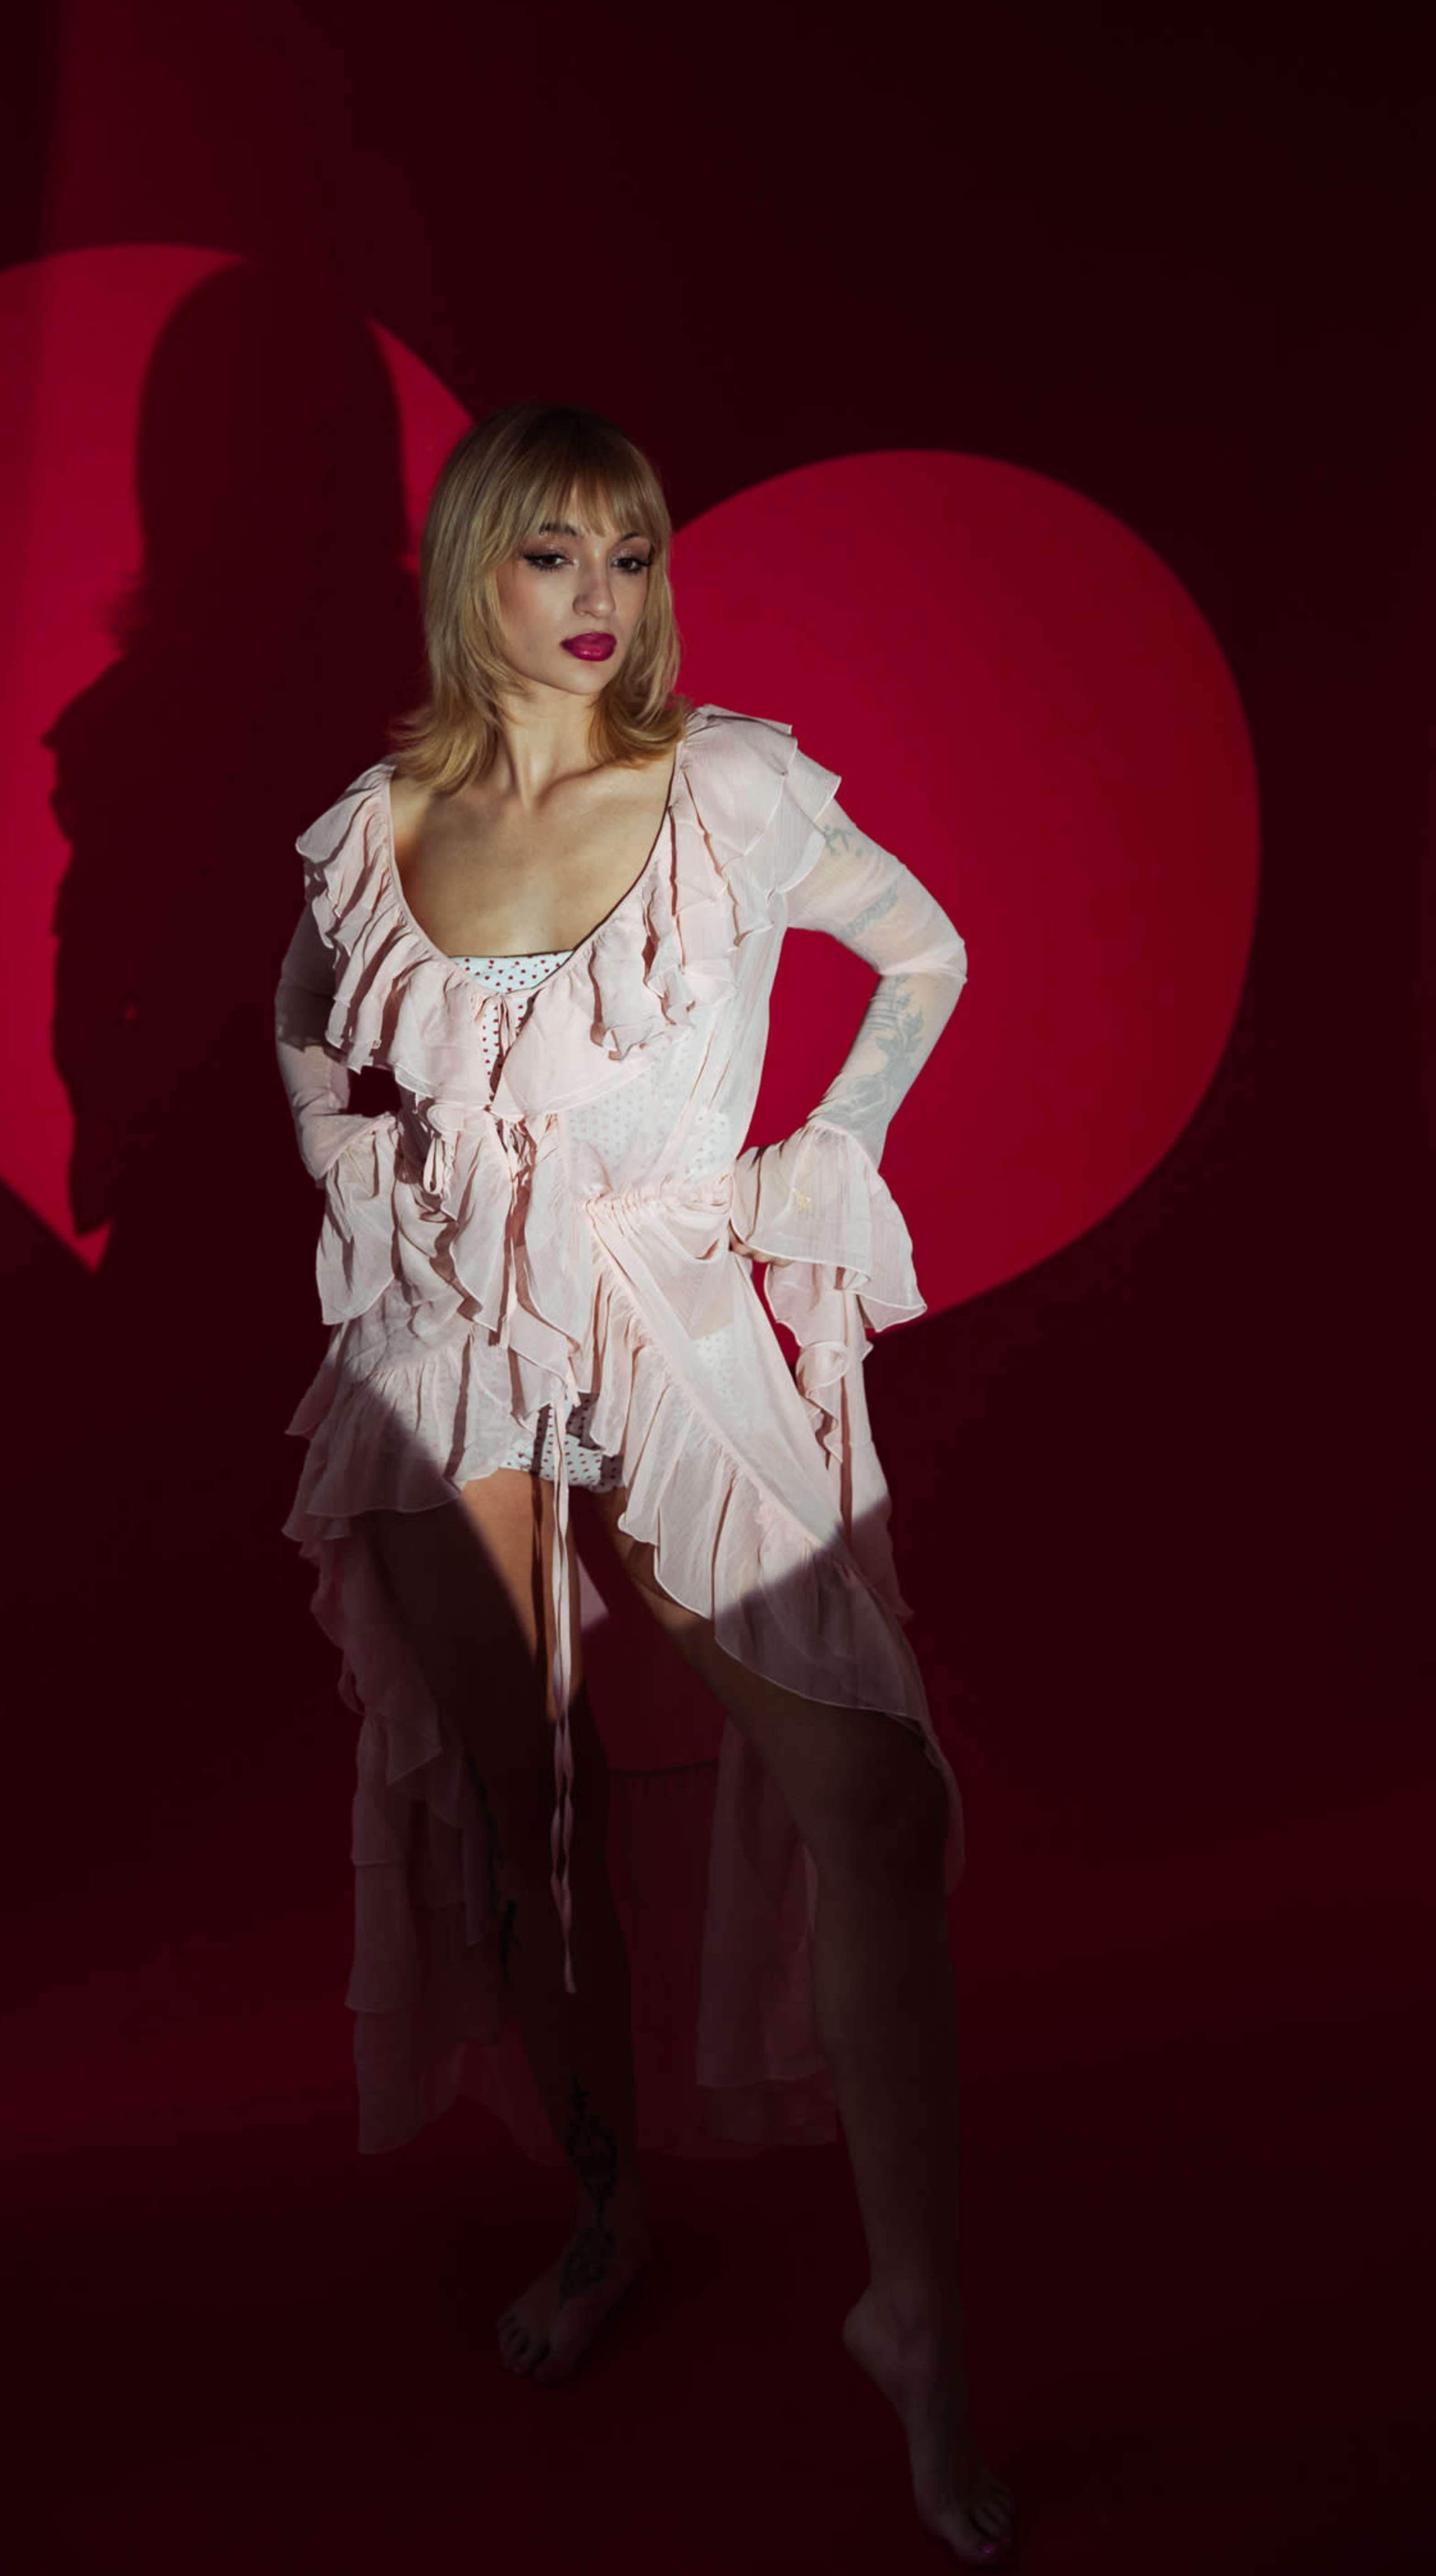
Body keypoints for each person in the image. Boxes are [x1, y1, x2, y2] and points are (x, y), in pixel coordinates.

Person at [274, 402, 1015, 2564]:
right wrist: (363, 1176)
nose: (602, 602)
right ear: (469, 576)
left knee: (873, 1789)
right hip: (446, 1355)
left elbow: (930, 951)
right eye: (552, 559)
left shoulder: (734, 788)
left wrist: (842, 1142)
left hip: (675, 1320)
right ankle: (606, 2214)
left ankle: (920, 2318)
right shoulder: (374, 823)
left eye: (631, 556)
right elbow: (314, 1027)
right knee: (538, 1805)